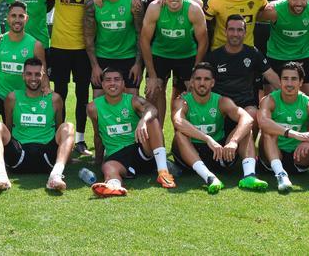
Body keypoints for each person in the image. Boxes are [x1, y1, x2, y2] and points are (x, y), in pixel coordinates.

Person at [45, 0, 103, 157]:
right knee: (58, 95)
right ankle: (59, 136)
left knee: (82, 95)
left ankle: (80, 140)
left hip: (84, 49)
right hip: (59, 46)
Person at [0, 58, 75, 192]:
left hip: (47, 158)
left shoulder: (55, 99)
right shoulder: (12, 98)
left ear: (43, 75)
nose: (33, 78)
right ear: (23, 75)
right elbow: (8, 129)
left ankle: (56, 176)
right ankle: (1, 176)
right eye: (29, 74)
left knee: (68, 126)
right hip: (18, 155)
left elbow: (59, 129)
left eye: (37, 74)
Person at [0, 2, 44, 167]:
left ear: (27, 19)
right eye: (13, 16)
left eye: (21, 16)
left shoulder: (35, 45)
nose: (17, 19)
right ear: (7, 18)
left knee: (17, 148)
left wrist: (45, 90)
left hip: (21, 99)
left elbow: (42, 74)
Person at [88, 68, 176, 197]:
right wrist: (98, 160)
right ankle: (114, 186)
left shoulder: (133, 100)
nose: (112, 83)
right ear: (102, 85)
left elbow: (152, 109)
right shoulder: (93, 107)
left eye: (117, 80)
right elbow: (98, 134)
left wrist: (143, 121)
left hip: (140, 149)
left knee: (151, 120)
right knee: (108, 167)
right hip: (117, 156)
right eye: (108, 80)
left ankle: (163, 171)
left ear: (123, 84)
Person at [170, 63, 255, 194]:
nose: (202, 83)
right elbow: (178, 122)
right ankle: (209, 177)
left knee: (245, 129)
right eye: (198, 79)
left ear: (213, 83)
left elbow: (248, 119)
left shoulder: (222, 101)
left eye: (206, 79)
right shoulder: (182, 102)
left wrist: (234, 141)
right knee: (180, 134)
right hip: (190, 153)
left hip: (219, 153)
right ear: (191, 82)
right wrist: (207, 138)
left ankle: (249, 176)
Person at [256, 61, 309, 194]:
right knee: (268, 132)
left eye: (294, 79)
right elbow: (263, 122)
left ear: (300, 82)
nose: (289, 83)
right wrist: (293, 134)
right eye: (285, 79)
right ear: (280, 81)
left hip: (299, 157)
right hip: (272, 156)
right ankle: (281, 175)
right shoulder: (269, 100)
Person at [140, 0, 208, 121]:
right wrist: (152, 75)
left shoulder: (193, 9)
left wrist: (195, 72)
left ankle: (184, 136)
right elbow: (144, 40)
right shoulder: (155, 8)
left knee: (191, 93)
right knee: (153, 92)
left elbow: (203, 42)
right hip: (160, 54)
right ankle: (158, 139)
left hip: (186, 55)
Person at [258, 0, 309, 104]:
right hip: (276, 57)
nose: (299, 3)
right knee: (270, 101)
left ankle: (302, 125)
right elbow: (253, 18)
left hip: (304, 56)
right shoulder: (273, 11)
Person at [85, 0, 143, 97]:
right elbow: (88, 38)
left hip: (128, 58)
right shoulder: (92, 4)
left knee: (132, 101)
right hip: (102, 57)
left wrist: (138, 64)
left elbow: (140, 34)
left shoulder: (134, 2)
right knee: (98, 102)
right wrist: (94, 66)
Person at [206, 14, 277, 122]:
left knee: (252, 114)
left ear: (245, 33)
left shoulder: (253, 53)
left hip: (246, 104)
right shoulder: (214, 56)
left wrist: (295, 94)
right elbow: (202, 81)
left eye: (239, 30)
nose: (235, 34)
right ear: (225, 32)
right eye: (231, 30)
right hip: (220, 106)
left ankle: (234, 139)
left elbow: (271, 76)